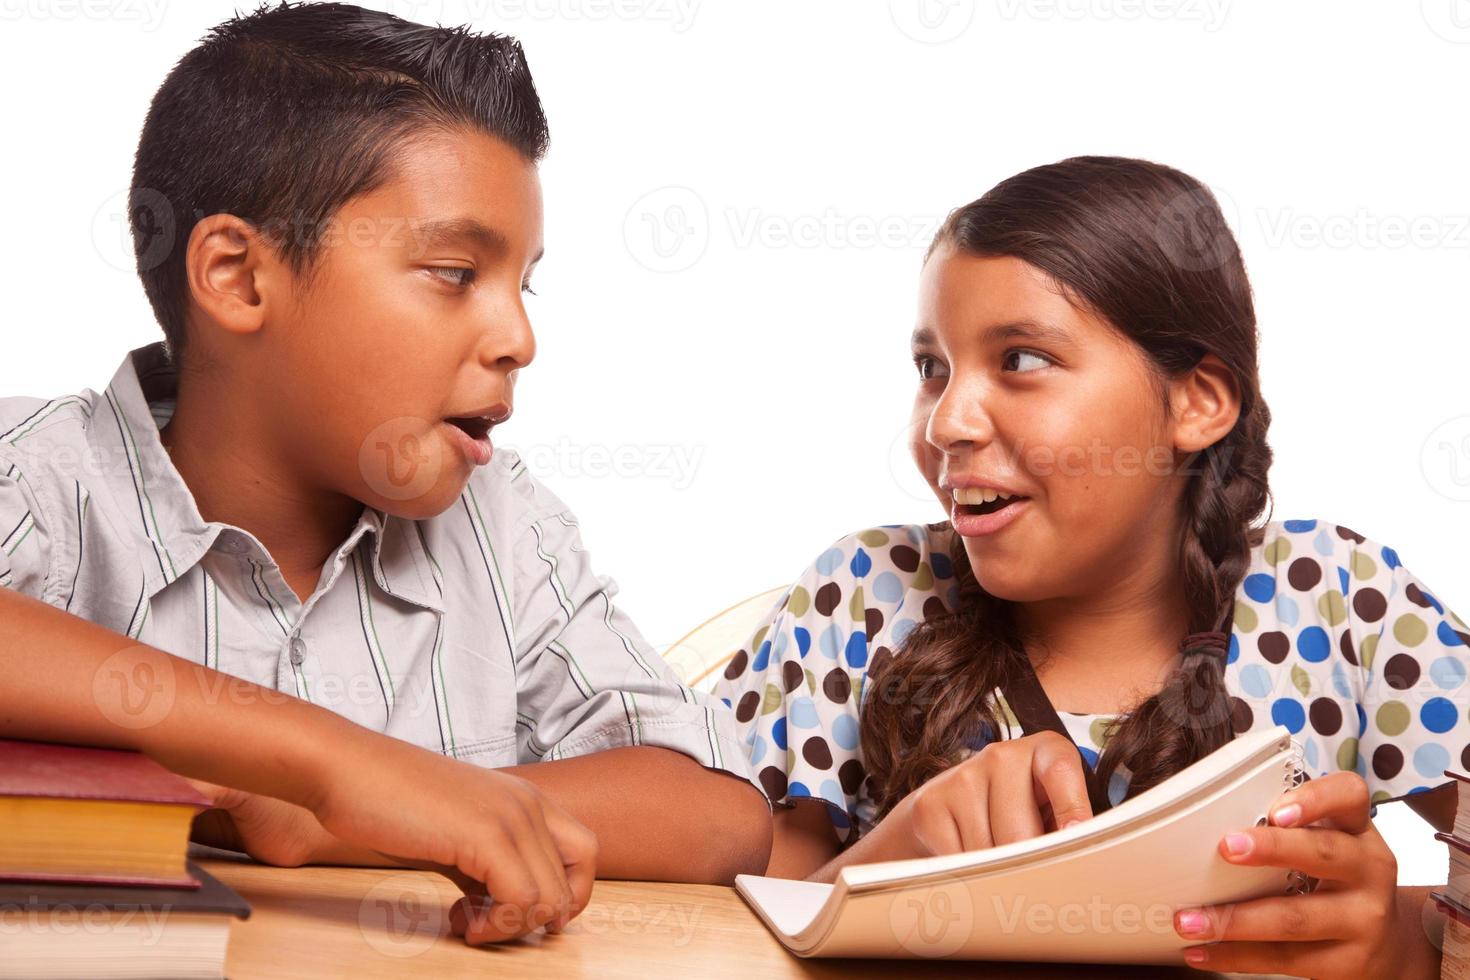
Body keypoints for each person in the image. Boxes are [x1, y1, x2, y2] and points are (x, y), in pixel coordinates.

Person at [0, 1, 768, 943]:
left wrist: (336, 823)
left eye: (523, 284)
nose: (519, 338)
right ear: (239, 277)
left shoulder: (500, 528)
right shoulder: (37, 478)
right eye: (453, 272)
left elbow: (716, 814)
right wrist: (322, 761)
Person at [715, 155, 1468, 978]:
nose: (947, 423)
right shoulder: (861, 596)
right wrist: (884, 862)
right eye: (933, 368)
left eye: (1023, 360)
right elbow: (724, 936)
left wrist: (1400, 950)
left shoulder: (1339, 599)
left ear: (1197, 401)